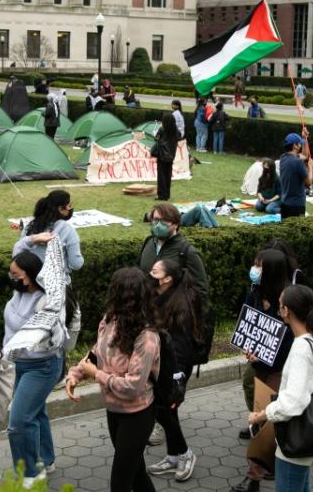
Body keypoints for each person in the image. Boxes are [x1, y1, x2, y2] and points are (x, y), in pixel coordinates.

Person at [66, 268, 160, 492]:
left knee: (120, 483)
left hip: (137, 415)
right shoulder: (109, 320)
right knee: (136, 473)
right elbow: (97, 352)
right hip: (114, 411)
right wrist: (76, 374)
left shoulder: (147, 337)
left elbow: (133, 386)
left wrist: (95, 374)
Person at [246, 285, 313, 492]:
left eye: (280, 305)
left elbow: (293, 401)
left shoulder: (301, 347)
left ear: (286, 311)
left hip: (295, 438)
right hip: (309, 434)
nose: (278, 309)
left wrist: (261, 415)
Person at [232, 249, 300, 492]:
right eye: (254, 264)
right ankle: (258, 474)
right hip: (258, 365)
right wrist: (249, 348)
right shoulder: (254, 292)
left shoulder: (288, 300)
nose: (255, 269)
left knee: (267, 420)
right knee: (263, 420)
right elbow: (248, 324)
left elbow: (292, 339)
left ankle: (255, 477)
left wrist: (266, 355)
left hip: (279, 369)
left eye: (260, 266)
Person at [3, 246, 69, 485]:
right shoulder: (19, 293)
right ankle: (46, 459)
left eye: (16, 274)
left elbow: (51, 338)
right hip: (20, 365)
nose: (12, 278)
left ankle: (31, 472)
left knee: (18, 422)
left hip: (42, 367)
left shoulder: (47, 301)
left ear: (31, 274)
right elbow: (21, 247)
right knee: (36, 412)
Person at [145, 258, 203, 482]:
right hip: (159, 363)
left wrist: (175, 377)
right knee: (166, 411)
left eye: (154, 271)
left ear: (167, 278)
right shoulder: (157, 296)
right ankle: (173, 456)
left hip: (173, 367)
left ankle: (185, 454)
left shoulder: (181, 305)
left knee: (165, 410)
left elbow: (180, 346)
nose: (149, 273)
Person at [137, 203, 208, 300]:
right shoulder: (149, 242)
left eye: (164, 221)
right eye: (156, 220)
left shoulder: (187, 251)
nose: (158, 225)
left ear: (175, 224)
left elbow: (200, 290)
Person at [12, 190, 83, 283]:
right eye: (69, 206)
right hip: (57, 287)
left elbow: (17, 254)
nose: (70, 209)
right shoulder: (67, 229)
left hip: (31, 284)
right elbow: (76, 264)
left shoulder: (30, 225)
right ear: (61, 209)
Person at [276, 132, 313, 218]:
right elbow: (308, 183)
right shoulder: (298, 162)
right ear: (295, 146)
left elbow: (304, 155)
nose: (301, 145)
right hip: (297, 205)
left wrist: (304, 138)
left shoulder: (283, 157)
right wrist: (311, 168)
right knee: (297, 231)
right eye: (299, 143)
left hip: (285, 203)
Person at [153, 114, 179, 201]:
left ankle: (161, 194)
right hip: (171, 155)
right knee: (168, 175)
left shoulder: (162, 129)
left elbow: (156, 138)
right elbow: (179, 137)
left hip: (162, 155)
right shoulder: (175, 130)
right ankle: (167, 194)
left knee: (161, 176)